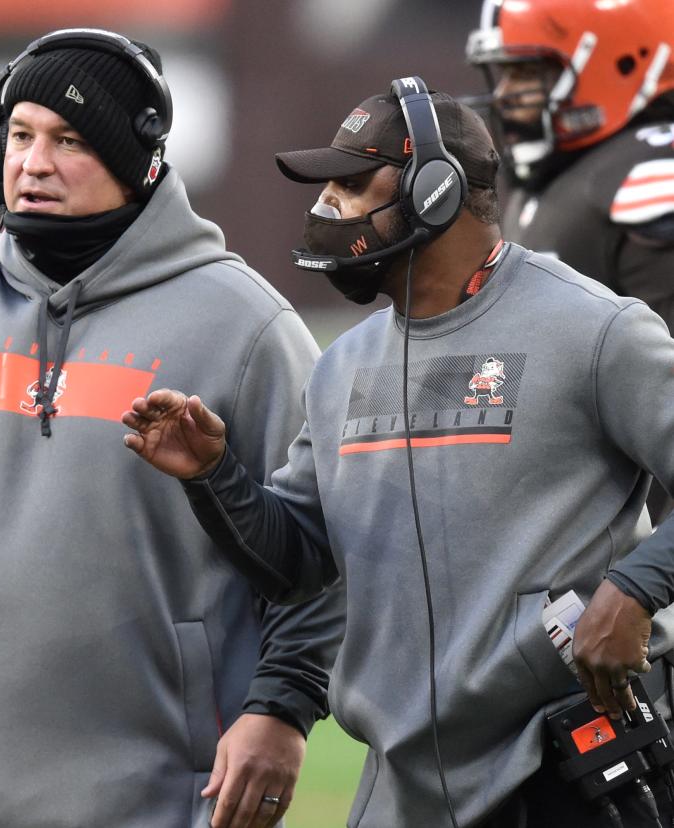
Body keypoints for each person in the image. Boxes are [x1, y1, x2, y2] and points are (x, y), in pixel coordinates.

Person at [123, 79, 674, 827]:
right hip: (398, 790)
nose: (327, 208)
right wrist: (213, 478)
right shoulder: (342, 366)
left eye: (351, 185)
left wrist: (635, 590)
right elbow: (301, 562)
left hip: (566, 782)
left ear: (436, 189)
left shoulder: (597, 329)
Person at [0, 29, 342, 828]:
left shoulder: (248, 326)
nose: (33, 163)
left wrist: (283, 707)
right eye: (18, 136)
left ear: (137, 159)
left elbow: (323, 548)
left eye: (69, 140)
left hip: (158, 801)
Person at [466, 0, 674, 520]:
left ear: (623, 61)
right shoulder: (553, 177)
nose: (506, 92)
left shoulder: (649, 172)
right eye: (503, 72)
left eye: (527, 70)